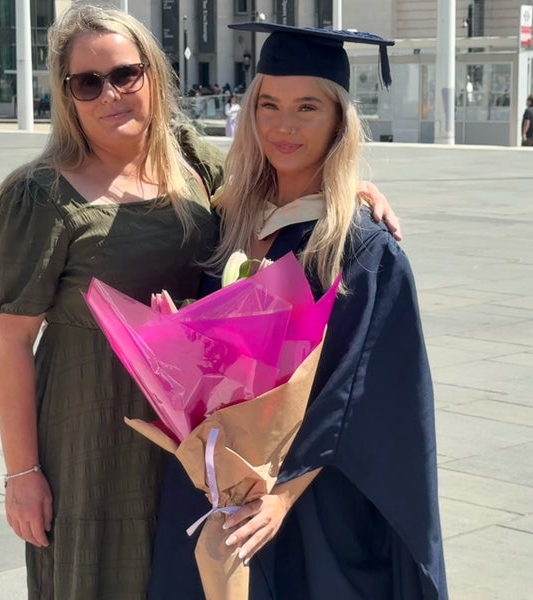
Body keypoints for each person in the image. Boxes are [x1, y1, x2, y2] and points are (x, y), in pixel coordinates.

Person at [149, 22, 447, 600]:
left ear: (338, 119)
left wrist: (282, 495)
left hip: (310, 503)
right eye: (269, 104)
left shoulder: (360, 247)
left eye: (307, 107)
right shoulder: (229, 219)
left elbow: (359, 390)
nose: (283, 126)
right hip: (216, 482)